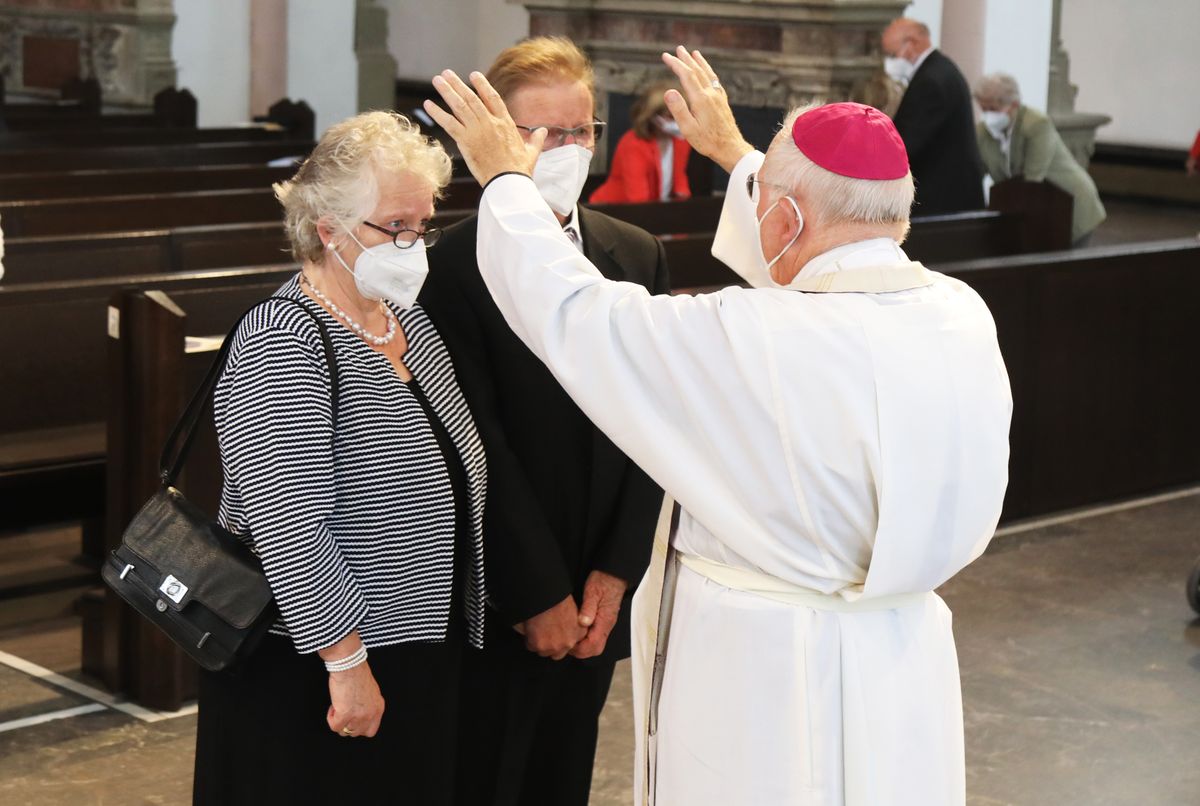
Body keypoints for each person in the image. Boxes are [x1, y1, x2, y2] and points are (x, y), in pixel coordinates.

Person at [425, 43, 1011, 806]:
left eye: (762, 194)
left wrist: (505, 177)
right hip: (898, 648)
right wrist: (740, 155)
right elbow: (815, 253)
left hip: (764, 664)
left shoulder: (748, 334)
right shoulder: (959, 315)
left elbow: (574, 310)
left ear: (786, 213)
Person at [194, 110, 487, 806]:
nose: (413, 244)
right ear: (328, 229)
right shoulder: (282, 338)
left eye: (423, 225)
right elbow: (289, 522)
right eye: (395, 227)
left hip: (414, 646)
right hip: (318, 665)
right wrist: (346, 661)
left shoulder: (404, 320)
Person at [418, 36, 666, 806]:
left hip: (600, 582)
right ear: (497, 136)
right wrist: (537, 593)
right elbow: (472, 443)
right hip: (504, 587)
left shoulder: (635, 252)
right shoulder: (450, 268)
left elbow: (656, 418)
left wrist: (618, 570)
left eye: (581, 130)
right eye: (544, 133)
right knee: (488, 774)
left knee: (566, 772)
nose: (567, 149)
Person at [974, 72, 1106, 246]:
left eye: (993, 109)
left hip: (1070, 207)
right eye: (984, 109)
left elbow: (1032, 180)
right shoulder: (982, 133)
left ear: (1014, 105)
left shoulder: (1037, 124)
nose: (988, 116)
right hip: (1032, 211)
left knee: (1065, 270)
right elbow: (976, 172)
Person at [883, 18, 985, 214]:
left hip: (942, 198)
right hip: (950, 192)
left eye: (892, 54)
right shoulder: (940, 69)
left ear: (911, 43)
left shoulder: (931, 81)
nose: (889, 61)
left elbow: (905, 144)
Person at [590, 78, 692, 203]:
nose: (678, 122)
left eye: (681, 115)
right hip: (613, 210)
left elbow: (679, 177)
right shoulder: (633, 144)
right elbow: (638, 199)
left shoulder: (681, 141)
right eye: (671, 117)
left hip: (656, 210)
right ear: (653, 116)